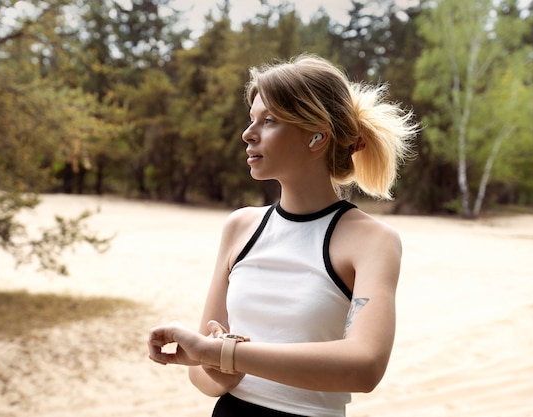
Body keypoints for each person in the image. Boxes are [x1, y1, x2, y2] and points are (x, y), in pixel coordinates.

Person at [147, 54, 418, 417]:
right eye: (251, 119)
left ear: (317, 135)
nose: (248, 133)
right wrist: (216, 366)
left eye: (269, 120)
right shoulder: (240, 228)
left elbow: (365, 365)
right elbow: (204, 378)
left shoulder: (372, 241)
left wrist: (222, 353)